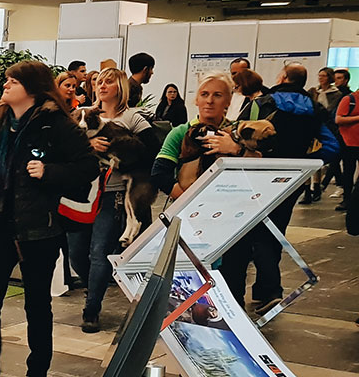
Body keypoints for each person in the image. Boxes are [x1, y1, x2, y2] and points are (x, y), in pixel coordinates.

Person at [0, 61, 98, 377]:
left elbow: (88, 167)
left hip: (38, 229)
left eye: (13, 80)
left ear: (32, 87)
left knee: (36, 304)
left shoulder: (55, 124)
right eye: (6, 79)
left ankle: (37, 375)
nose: (6, 85)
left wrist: (49, 172)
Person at [219, 63, 336, 311]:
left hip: (257, 175)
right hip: (292, 180)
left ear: (282, 77)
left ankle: (264, 291)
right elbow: (333, 147)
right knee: (275, 231)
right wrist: (307, 163)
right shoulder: (315, 109)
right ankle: (266, 291)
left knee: (251, 234)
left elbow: (237, 137)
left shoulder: (262, 104)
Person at [67, 68, 162, 333]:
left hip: (114, 194)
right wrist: (89, 147)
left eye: (110, 81)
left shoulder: (133, 117)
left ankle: (92, 309)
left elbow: (151, 153)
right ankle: (95, 285)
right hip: (81, 193)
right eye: (99, 81)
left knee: (100, 253)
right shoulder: (82, 114)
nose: (103, 85)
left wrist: (122, 156)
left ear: (121, 87)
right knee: (76, 254)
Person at [152, 71, 236, 199]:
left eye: (217, 95)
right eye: (204, 94)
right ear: (197, 99)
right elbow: (160, 173)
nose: (209, 101)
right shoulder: (180, 132)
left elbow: (260, 171)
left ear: (228, 101)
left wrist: (235, 149)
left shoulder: (238, 130)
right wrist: (189, 201)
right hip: (190, 210)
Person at [336, 85, 359, 211]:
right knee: (348, 172)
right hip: (349, 142)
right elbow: (338, 119)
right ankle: (347, 199)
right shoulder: (349, 99)